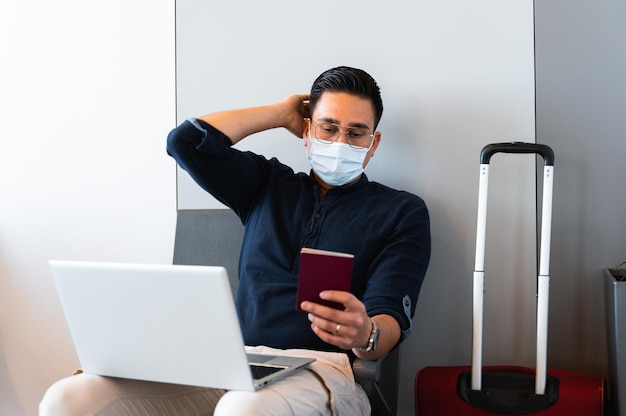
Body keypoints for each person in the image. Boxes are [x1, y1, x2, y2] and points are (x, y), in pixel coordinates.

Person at [39, 66, 431, 415]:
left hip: (325, 371)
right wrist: (280, 113)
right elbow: (185, 143)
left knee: (243, 408)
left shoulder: (401, 211)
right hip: (231, 365)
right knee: (70, 398)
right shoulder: (268, 184)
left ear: (373, 143)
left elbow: (389, 318)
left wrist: (366, 334)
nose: (341, 142)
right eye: (328, 127)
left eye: (355, 133)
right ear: (308, 129)